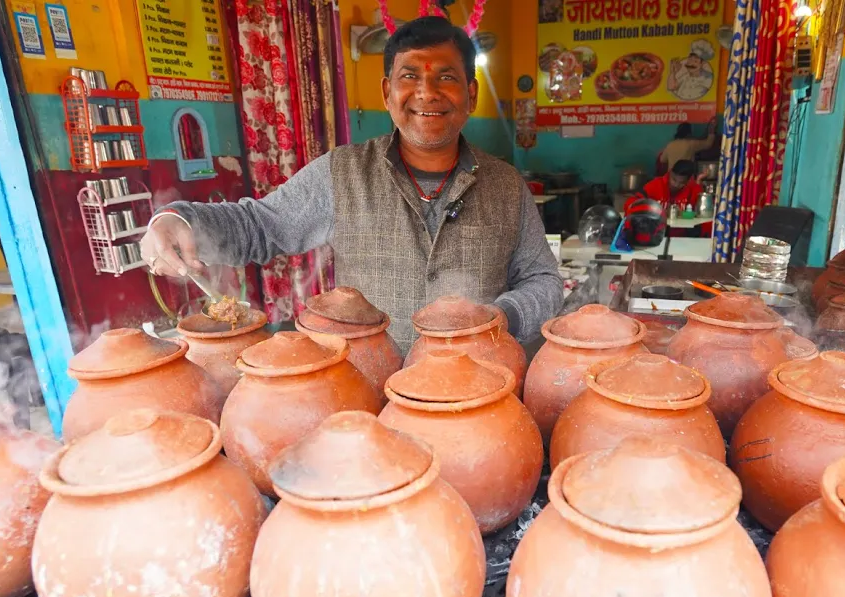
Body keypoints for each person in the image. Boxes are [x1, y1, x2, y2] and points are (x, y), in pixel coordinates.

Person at [140, 16, 562, 351]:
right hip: (366, 394)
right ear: (386, 92)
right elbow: (260, 225)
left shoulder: (506, 186)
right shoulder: (341, 173)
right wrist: (179, 219)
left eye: (446, 78)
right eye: (409, 76)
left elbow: (543, 281)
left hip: (479, 389)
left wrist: (502, 317)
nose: (427, 92)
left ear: (471, 94)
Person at [629, 160, 711, 238]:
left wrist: (682, 213)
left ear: (688, 181)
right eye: (674, 179)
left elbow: (704, 215)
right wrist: (652, 210)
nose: (676, 184)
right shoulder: (655, 185)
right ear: (670, 173)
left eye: (681, 183)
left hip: (683, 238)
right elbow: (631, 203)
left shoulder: (694, 189)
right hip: (654, 234)